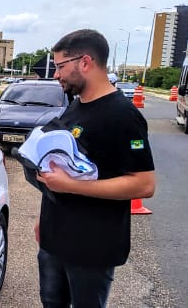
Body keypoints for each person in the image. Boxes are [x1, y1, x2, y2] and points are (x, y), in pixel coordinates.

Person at [34, 29, 155, 308]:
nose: (55, 74)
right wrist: (44, 220)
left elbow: (144, 184)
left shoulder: (123, 116)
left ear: (85, 62)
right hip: (55, 237)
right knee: (51, 302)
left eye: (60, 66)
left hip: (91, 246)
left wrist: (70, 186)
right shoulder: (75, 107)